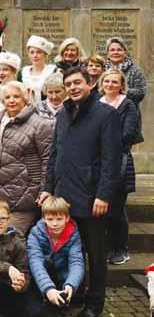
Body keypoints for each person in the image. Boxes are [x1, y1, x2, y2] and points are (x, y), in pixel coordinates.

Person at [39, 66, 122, 317]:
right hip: (64, 197)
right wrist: (47, 188)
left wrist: (104, 195)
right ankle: (77, 292)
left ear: (90, 84)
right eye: (69, 84)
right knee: (68, 250)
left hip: (92, 197)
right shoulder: (64, 114)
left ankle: (95, 304)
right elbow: (55, 154)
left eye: (77, 83)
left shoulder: (106, 114)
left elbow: (112, 159)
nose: (73, 88)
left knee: (95, 254)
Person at [0, 81, 53, 234]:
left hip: (25, 198)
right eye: (7, 97)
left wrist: (44, 189)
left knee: (10, 239)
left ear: (25, 98)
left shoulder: (40, 124)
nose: (11, 100)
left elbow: (48, 160)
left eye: (16, 96)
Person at [98, 69, 141, 265]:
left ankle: (121, 248)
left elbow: (128, 132)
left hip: (120, 162)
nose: (110, 85)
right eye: (107, 81)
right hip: (98, 163)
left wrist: (104, 144)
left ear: (121, 85)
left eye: (115, 82)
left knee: (116, 208)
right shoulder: (97, 103)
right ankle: (105, 247)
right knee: (102, 209)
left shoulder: (127, 105)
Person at [27, 197, 84, 317]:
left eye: (59, 219)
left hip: (63, 273)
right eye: (50, 219)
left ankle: (67, 301)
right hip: (42, 275)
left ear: (67, 218)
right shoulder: (35, 233)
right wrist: (48, 288)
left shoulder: (74, 234)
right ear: (43, 219)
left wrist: (71, 284)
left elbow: (76, 262)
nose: (55, 223)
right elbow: (35, 262)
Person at [104, 36, 147, 107]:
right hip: (104, 112)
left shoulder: (135, 71)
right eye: (112, 50)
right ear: (108, 54)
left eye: (119, 50)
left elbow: (140, 93)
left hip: (128, 112)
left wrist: (120, 89)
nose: (116, 52)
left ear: (125, 52)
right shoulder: (102, 70)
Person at [18, 35, 56, 103]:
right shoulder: (23, 72)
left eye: (39, 52)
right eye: (32, 52)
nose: (35, 55)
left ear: (45, 55)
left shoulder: (52, 71)